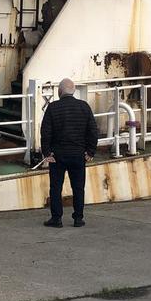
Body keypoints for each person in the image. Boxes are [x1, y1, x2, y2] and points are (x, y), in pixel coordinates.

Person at [39, 78, 97, 228]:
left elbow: (45, 132)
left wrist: (47, 153)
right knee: (78, 187)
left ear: (60, 92)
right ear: (74, 91)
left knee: (56, 188)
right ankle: (78, 218)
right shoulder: (84, 107)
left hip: (57, 155)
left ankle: (56, 218)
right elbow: (92, 131)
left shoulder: (53, 108)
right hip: (78, 154)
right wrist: (90, 151)